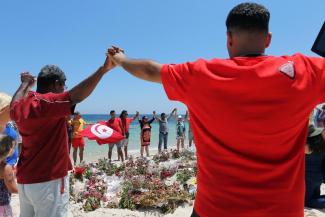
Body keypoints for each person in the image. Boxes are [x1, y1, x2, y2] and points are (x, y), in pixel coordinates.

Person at [108, 2, 325, 216]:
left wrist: (120, 59)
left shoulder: (201, 75)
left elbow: (149, 70)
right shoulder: (305, 71)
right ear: (268, 40)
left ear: (229, 38)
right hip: (282, 210)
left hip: (216, 208)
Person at [10, 52, 115, 217]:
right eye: (63, 86)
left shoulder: (21, 106)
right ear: (56, 84)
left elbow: (14, 103)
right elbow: (76, 96)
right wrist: (102, 70)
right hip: (48, 181)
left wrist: (24, 84)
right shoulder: (48, 103)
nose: (63, 90)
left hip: (25, 181)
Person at [305, 125, 325, 208]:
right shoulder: (322, 146)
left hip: (308, 178)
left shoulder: (307, 148)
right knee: (315, 197)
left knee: (307, 202)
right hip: (319, 177)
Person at [0, 134, 18, 217]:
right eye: (13, 147)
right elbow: (13, 188)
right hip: (2, 207)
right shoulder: (6, 168)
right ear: (9, 150)